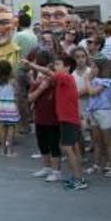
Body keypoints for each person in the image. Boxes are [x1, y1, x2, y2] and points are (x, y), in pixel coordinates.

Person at [22, 54, 87, 190]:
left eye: (58, 65)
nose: (55, 67)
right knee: (71, 149)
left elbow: (47, 72)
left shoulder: (66, 77)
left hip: (69, 120)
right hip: (67, 119)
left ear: (67, 67)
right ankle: (78, 177)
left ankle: (79, 179)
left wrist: (31, 64)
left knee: (69, 149)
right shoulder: (63, 80)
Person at [27, 49, 62, 182]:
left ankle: (56, 170)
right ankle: (47, 167)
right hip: (40, 117)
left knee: (54, 144)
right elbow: (30, 98)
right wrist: (42, 88)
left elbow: (52, 76)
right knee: (42, 144)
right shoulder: (38, 81)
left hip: (53, 118)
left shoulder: (55, 79)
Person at [83, 60, 111, 177]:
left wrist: (87, 80)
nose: (91, 70)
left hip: (105, 112)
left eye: (94, 67)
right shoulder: (94, 80)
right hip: (94, 112)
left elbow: (92, 92)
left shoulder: (106, 81)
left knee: (108, 141)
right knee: (97, 140)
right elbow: (91, 98)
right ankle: (96, 165)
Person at [0, 60, 20, 157]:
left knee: (4, 127)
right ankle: (9, 150)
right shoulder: (12, 81)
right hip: (11, 105)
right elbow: (17, 92)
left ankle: (3, 149)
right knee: (11, 127)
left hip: (2, 105)